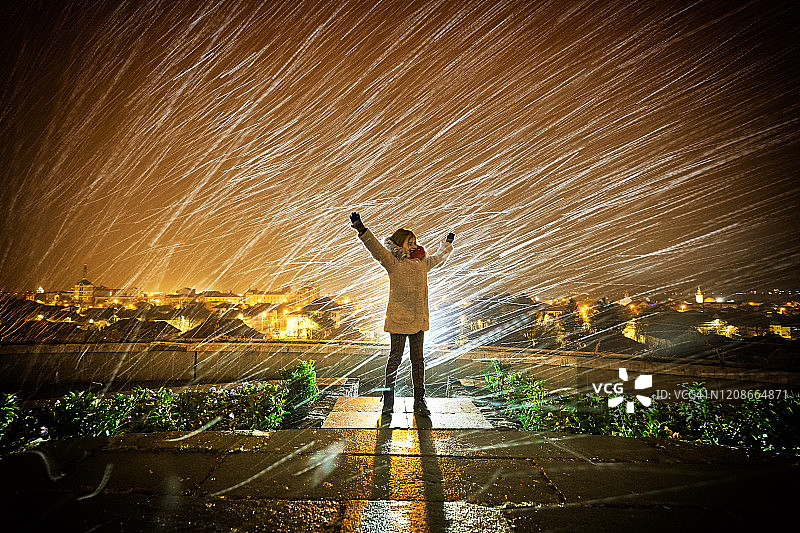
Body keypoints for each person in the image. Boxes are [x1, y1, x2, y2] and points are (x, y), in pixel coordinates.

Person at [349, 212, 455, 416]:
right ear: (400, 244)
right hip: (399, 318)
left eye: (415, 242)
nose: (414, 246)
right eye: (410, 243)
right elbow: (377, 250)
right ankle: (388, 400)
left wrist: (447, 244)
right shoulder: (393, 262)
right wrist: (362, 230)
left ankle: (420, 400)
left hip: (418, 319)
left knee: (418, 360)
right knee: (395, 359)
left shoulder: (423, 262)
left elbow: (439, 259)